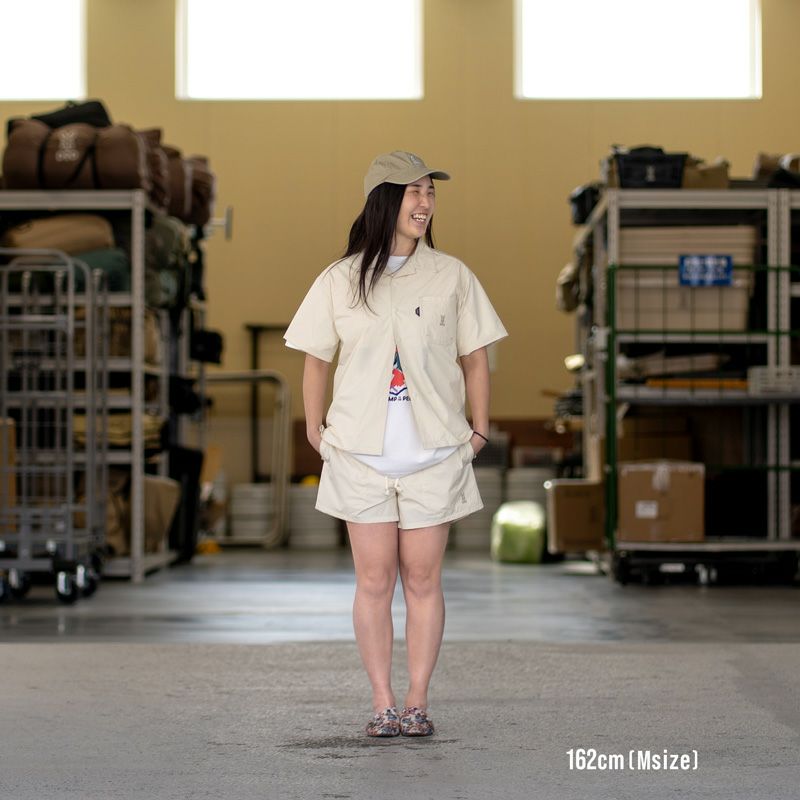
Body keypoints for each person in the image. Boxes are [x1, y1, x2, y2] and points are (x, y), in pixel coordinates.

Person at [284, 150, 508, 738]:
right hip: (361, 457)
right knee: (374, 582)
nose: (426, 203)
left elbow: (475, 357)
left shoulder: (452, 275)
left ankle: (417, 701)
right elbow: (316, 360)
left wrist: (478, 432)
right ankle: (382, 701)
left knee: (424, 581)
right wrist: (314, 430)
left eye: (430, 192)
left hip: (434, 456)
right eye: (414, 192)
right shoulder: (340, 279)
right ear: (384, 200)